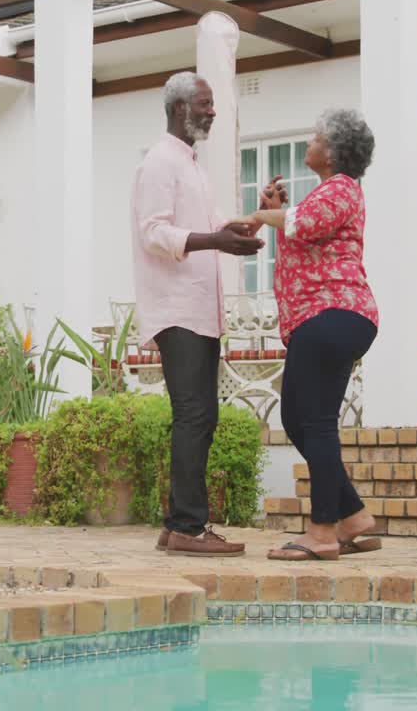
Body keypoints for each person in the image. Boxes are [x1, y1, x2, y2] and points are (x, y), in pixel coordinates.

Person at [228, 108, 380, 561]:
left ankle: (322, 532)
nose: (309, 142)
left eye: (315, 137)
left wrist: (260, 216)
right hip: (327, 319)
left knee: (311, 422)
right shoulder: (327, 194)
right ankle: (355, 518)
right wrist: (275, 214)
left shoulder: (341, 189)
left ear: (331, 152)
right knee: (298, 418)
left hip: (332, 316)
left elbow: (304, 224)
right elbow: (300, 235)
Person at [131, 71, 263, 557]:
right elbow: (154, 233)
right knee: (194, 415)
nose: (211, 111)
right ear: (179, 109)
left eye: (211, 104)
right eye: (204, 104)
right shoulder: (160, 162)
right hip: (176, 310)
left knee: (201, 417)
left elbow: (204, 229)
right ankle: (188, 526)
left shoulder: (191, 165)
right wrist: (215, 241)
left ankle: (177, 526)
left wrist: (248, 223)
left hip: (198, 312)